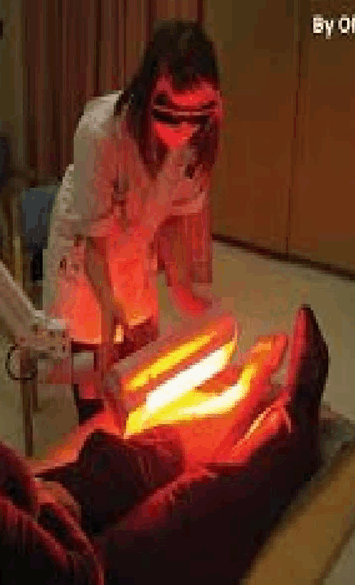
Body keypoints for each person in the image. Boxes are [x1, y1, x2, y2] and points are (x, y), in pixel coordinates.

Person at [0, 90, 329, 584]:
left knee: (122, 457)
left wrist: (32, 490)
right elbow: (77, 574)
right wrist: (49, 509)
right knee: (205, 498)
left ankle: (238, 393)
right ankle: (293, 423)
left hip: (19, 499)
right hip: (68, 557)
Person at [45, 21, 224, 416]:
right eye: (170, 114)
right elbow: (96, 241)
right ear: (146, 96)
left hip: (134, 251)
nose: (182, 131)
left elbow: (175, 217)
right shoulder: (100, 133)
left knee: (144, 369)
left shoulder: (198, 141)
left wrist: (180, 284)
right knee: (96, 379)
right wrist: (109, 309)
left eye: (195, 116)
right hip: (85, 257)